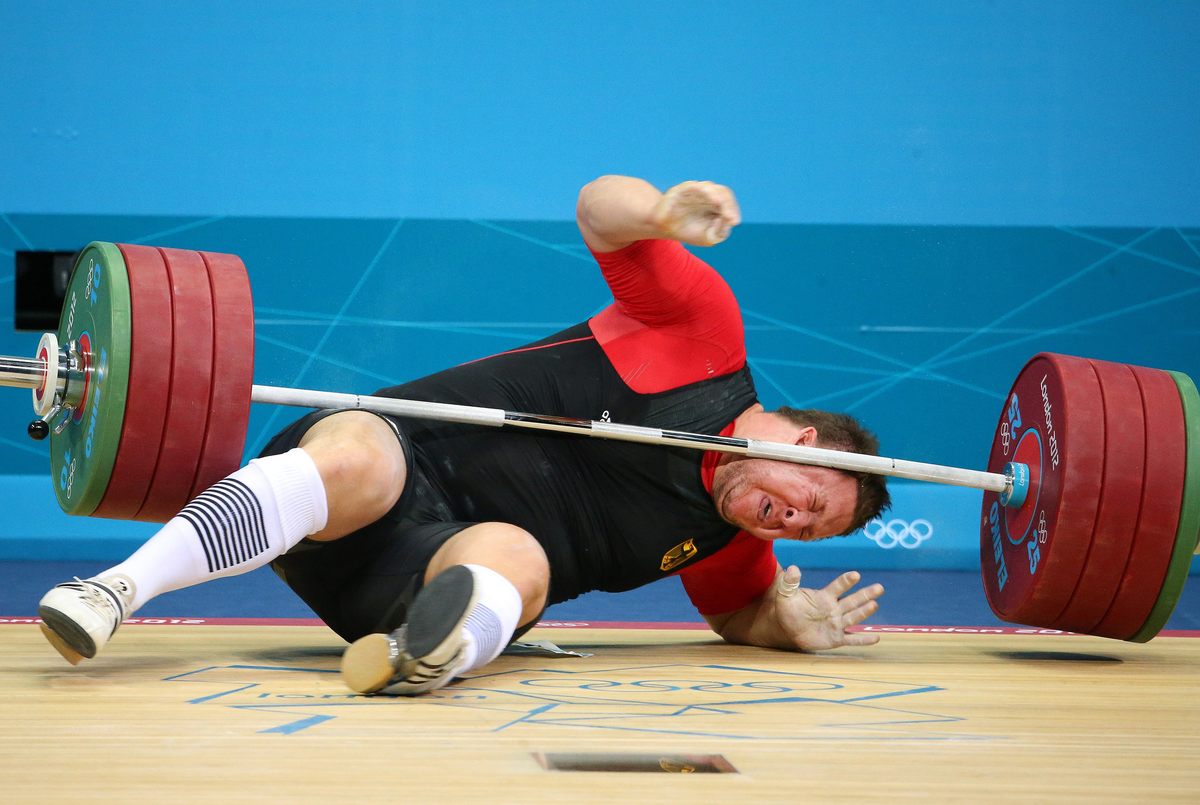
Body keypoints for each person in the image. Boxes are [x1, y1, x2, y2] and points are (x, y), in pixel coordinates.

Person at [37, 175, 890, 695]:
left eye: (806, 533)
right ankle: (111, 592)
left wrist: (786, 625)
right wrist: (658, 212)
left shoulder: (731, 545)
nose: (789, 523)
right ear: (805, 442)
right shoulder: (703, 339)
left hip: (399, 590)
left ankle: (421, 659)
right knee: (365, 451)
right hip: (344, 488)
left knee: (519, 554)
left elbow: (741, 612)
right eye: (808, 502)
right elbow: (599, 210)